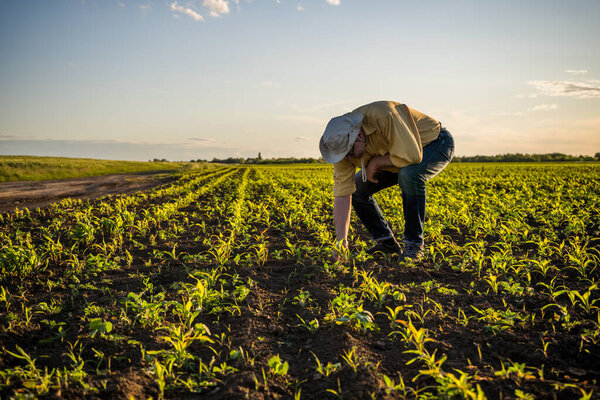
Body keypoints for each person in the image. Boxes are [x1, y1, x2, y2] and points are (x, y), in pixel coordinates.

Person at [319, 100, 454, 261]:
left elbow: (411, 155)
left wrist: (376, 163)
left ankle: (414, 245)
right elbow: (342, 192)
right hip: (395, 156)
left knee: (409, 174)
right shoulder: (341, 145)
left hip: (433, 144)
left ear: (359, 136)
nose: (348, 159)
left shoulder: (385, 115)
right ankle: (386, 243)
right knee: (358, 189)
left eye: (350, 153)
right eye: (343, 156)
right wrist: (341, 241)